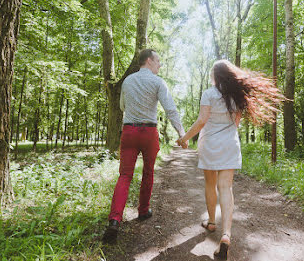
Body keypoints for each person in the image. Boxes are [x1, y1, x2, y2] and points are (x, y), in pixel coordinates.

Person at [177, 60, 284, 259]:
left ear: (216, 76)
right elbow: (235, 124)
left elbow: (202, 121)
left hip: (210, 145)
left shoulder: (209, 94)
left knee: (210, 184)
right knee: (226, 187)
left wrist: (184, 138)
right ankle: (226, 235)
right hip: (229, 144)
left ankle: (211, 222)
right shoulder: (238, 95)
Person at [103, 49, 186, 243]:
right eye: (158, 61)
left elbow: (123, 106)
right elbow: (170, 109)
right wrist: (182, 133)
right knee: (148, 172)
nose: (159, 64)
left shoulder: (128, 81)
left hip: (129, 132)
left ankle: (114, 220)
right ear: (148, 61)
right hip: (149, 133)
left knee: (125, 175)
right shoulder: (158, 82)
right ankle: (143, 210)